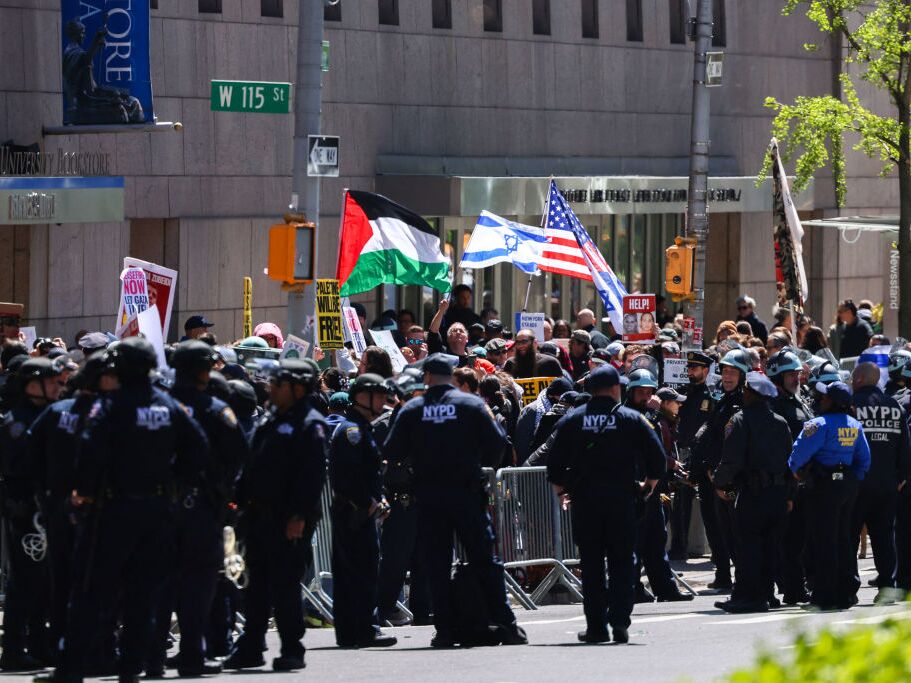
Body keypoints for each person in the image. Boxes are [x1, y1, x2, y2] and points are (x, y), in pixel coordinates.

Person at [57, 338, 209, 681]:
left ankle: (72, 670)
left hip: (112, 511)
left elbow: (89, 453)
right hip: (157, 512)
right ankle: (131, 671)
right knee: (144, 598)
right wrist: (175, 482)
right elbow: (199, 449)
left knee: (91, 592)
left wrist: (84, 493)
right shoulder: (169, 406)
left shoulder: (109, 407)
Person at [382, 353, 527, 648]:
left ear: (426, 377)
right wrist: (480, 468)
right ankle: (506, 623)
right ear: (450, 375)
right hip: (466, 491)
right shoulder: (472, 404)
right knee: (486, 559)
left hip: (429, 494)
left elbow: (392, 450)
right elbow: (498, 443)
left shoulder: (413, 410)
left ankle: (445, 630)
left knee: (436, 563)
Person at [148, 341, 248, 676]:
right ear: (203, 371)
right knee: (199, 583)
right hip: (201, 507)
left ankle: (152, 655)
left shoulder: (158, 405)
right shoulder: (216, 409)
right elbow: (238, 454)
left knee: (159, 581)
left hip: (159, 506)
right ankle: (192, 652)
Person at [547, 365, 665, 644]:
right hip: (621, 501)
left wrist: (563, 491)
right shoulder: (631, 419)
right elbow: (657, 460)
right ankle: (620, 621)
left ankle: (597, 627)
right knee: (623, 561)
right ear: (614, 389)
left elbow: (553, 466)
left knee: (591, 565)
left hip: (586, 503)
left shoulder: (573, 420)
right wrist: (646, 490)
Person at [225, 359, 328, 672]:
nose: (271, 388)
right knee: (255, 585)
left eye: (278, 384)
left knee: (284, 585)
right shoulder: (270, 417)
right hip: (258, 517)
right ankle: (251, 647)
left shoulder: (309, 424)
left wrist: (299, 515)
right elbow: (252, 461)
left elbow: (310, 477)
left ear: (297, 389)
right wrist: (237, 498)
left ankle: (291, 648)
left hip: (288, 519)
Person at [25, 353, 117, 667]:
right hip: (97, 508)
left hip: (57, 506)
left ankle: (62, 643)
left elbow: (29, 456)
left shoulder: (55, 413)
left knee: (61, 578)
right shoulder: (108, 413)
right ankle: (100, 648)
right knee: (98, 580)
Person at [0, 357, 63, 670]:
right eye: (51, 381)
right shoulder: (17, 420)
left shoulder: (46, 414)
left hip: (47, 507)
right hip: (25, 510)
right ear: (31, 385)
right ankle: (13, 648)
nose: (57, 387)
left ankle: (39, 643)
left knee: (45, 580)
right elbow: (20, 467)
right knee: (25, 580)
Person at [713, 373, 793, 613]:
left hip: (753, 494)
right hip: (778, 495)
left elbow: (731, 460)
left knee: (748, 547)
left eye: (746, 390)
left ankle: (747, 596)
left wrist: (719, 482)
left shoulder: (739, 420)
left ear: (752, 394)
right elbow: (791, 461)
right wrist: (790, 495)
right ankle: (767, 594)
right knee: (770, 547)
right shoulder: (781, 422)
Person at [328, 374, 398, 648]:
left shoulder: (360, 428)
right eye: (378, 396)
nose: (382, 402)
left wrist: (378, 499)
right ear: (361, 397)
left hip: (357, 510)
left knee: (355, 570)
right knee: (362, 569)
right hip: (355, 513)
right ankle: (364, 628)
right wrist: (367, 501)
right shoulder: (352, 431)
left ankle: (351, 630)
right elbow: (345, 475)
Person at [789, 381, 871, 609]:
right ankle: (846, 591)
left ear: (831, 401)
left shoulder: (817, 424)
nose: (820, 399)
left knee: (823, 539)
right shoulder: (855, 425)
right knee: (843, 538)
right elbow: (864, 459)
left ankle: (825, 594)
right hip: (847, 486)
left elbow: (797, 455)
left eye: (824, 397)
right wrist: (853, 479)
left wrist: (796, 471)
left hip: (823, 486)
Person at [624, 370, 693, 603]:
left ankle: (665, 588)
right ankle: (632, 588)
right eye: (640, 392)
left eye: (648, 392)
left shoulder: (650, 416)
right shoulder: (627, 416)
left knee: (656, 539)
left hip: (651, 488)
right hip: (632, 487)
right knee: (633, 542)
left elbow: (658, 448)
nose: (645, 396)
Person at [850, 362, 911, 602]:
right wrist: (902, 477)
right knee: (884, 538)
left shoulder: (852, 406)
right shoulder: (894, 406)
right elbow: (904, 447)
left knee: (850, 536)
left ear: (857, 380)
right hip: (887, 484)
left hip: (857, 483)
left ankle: (849, 587)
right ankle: (887, 587)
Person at [694, 348, 749, 590]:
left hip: (730, 481)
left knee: (736, 534)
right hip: (713, 475)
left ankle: (744, 581)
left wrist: (724, 481)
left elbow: (734, 446)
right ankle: (726, 575)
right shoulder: (722, 400)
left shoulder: (741, 404)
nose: (727, 376)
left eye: (733, 372)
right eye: (725, 371)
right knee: (720, 532)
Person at [766, 350, 815, 605]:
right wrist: (787, 489)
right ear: (776, 377)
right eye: (790, 374)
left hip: (805, 484)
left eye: (797, 373)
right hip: (786, 484)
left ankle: (795, 586)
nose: (796, 378)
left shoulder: (800, 401)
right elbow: (779, 451)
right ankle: (787, 587)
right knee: (786, 541)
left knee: (799, 540)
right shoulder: (774, 407)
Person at [671, 351, 715, 562]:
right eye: (689, 368)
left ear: (705, 371)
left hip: (702, 453)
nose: (690, 372)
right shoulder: (683, 393)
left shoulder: (710, 397)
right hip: (683, 451)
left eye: (694, 368)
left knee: (709, 504)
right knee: (680, 502)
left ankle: (718, 550)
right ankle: (679, 547)